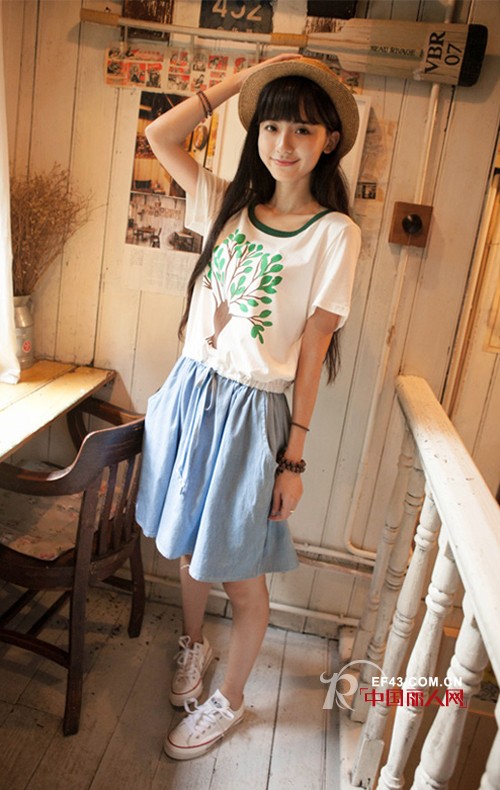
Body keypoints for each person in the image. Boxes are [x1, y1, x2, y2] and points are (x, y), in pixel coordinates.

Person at [135, 53, 362, 761]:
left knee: (240, 570)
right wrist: (246, 80)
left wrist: (294, 459)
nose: (283, 143)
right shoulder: (228, 203)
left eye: (302, 128)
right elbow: (159, 136)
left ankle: (229, 701)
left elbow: (314, 348)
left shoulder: (334, 234)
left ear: (328, 141)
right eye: (270, 125)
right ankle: (193, 645)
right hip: (190, 394)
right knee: (186, 547)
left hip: (251, 414)